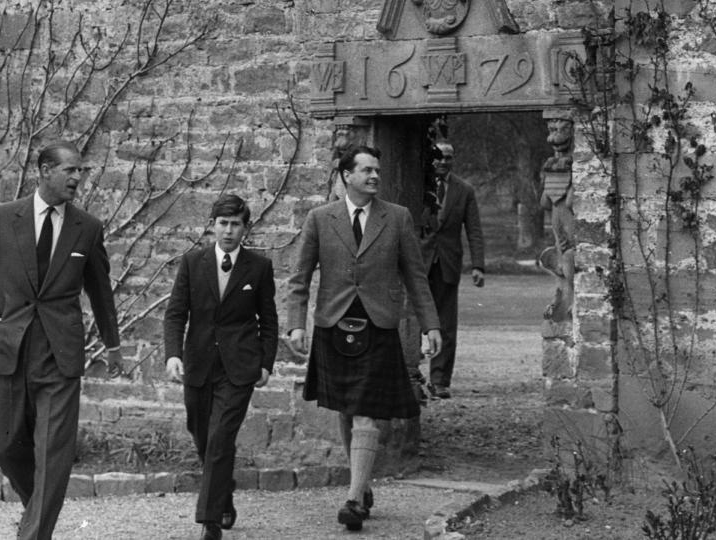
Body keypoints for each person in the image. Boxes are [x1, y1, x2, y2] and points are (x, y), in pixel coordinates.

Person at [0, 141, 122, 540]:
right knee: (3, 446)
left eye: (81, 171)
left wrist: (112, 342)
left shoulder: (86, 227)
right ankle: (38, 509)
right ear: (44, 171)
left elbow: (100, 290)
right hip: (8, 350)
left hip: (60, 354)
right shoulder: (2, 217)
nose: (77, 178)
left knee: (53, 453)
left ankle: (34, 533)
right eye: (70, 170)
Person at [289, 146, 442, 531]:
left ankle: (354, 499)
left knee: (364, 408)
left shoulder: (397, 218)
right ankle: (364, 481)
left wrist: (431, 325)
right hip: (333, 323)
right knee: (345, 405)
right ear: (346, 176)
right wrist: (296, 324)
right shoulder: (320, 219)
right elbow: (299, 278)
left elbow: (416, 276)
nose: (375, 176)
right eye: (366, 170)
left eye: (377, 170)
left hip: (378, 324)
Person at [164, 194, 279, 540]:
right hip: (198, 365)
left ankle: (209, 521)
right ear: (213, 225)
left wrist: (266, 363)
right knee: (203, 437)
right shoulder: (192, 262)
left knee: (220, 438)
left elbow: (269, 320)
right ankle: (223, 495)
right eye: (223, 223)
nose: (229, 231)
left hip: (238, 368)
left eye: (236, 224)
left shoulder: (258, 267)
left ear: (246, 228)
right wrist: (173, 355)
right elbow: (175, 314)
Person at [420, 141, 485, 400]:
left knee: (446, 324)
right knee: (413, 319)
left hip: (447, 263)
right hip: (419, 262)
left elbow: (474, 230)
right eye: (439, 157)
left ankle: (440, 381)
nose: (443, 162)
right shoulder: (419, 185)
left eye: (448, 157)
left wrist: (478, 265)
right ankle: (410, 376)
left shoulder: (464, 190)